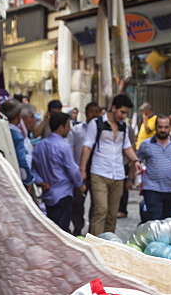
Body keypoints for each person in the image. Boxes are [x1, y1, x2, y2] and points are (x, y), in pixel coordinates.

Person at [80, 94, 139, 236]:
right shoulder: (97, 124)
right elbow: (87, 147)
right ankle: (95, 244)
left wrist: (136, 161)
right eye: (122, 112)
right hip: (99, 172)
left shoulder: (124, 127)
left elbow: (126, 147)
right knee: (100, 209)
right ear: (113, 108)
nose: (124, 116)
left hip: (118, 174)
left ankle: (108, 243)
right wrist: (82, 170)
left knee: (112, 214)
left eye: (126, 113)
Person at [33, 111, 83, 232]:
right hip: (63, 193)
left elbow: (33, 169)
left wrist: (40, 182)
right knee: (61, 231)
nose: (70, 129)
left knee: (54, 229)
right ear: (61, 128)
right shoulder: (63, 146)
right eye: (68, 126)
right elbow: (73, 169)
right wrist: (80, 184)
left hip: (48, 193)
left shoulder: (40, 145)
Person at [137, 115, 171, 221]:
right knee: (154, 218)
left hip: (170, 188)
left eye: (166, 127)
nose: (163, 130)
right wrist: (137, 164)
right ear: (156, 127)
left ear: (170, 127)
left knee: (167, 220)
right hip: (151, 188)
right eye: (160, 127)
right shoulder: (146, 144)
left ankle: (164, 238)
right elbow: (138, 158)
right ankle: (154, 237)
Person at [69, 102, 100, 234]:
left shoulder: (102, 129)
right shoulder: (77, 130)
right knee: (78, 203)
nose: (94, 114)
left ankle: (93, 230)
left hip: (97, 170)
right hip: (79, 170)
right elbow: (70, 149)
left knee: (97, 203)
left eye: (96, 111)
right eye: (91, 111)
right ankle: (78, 227)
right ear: (86, 113)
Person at [0, 98, 36, 188]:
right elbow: (22, 162)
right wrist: (28, 180)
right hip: (16, 179)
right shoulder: (16, 136)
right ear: (19, 116)